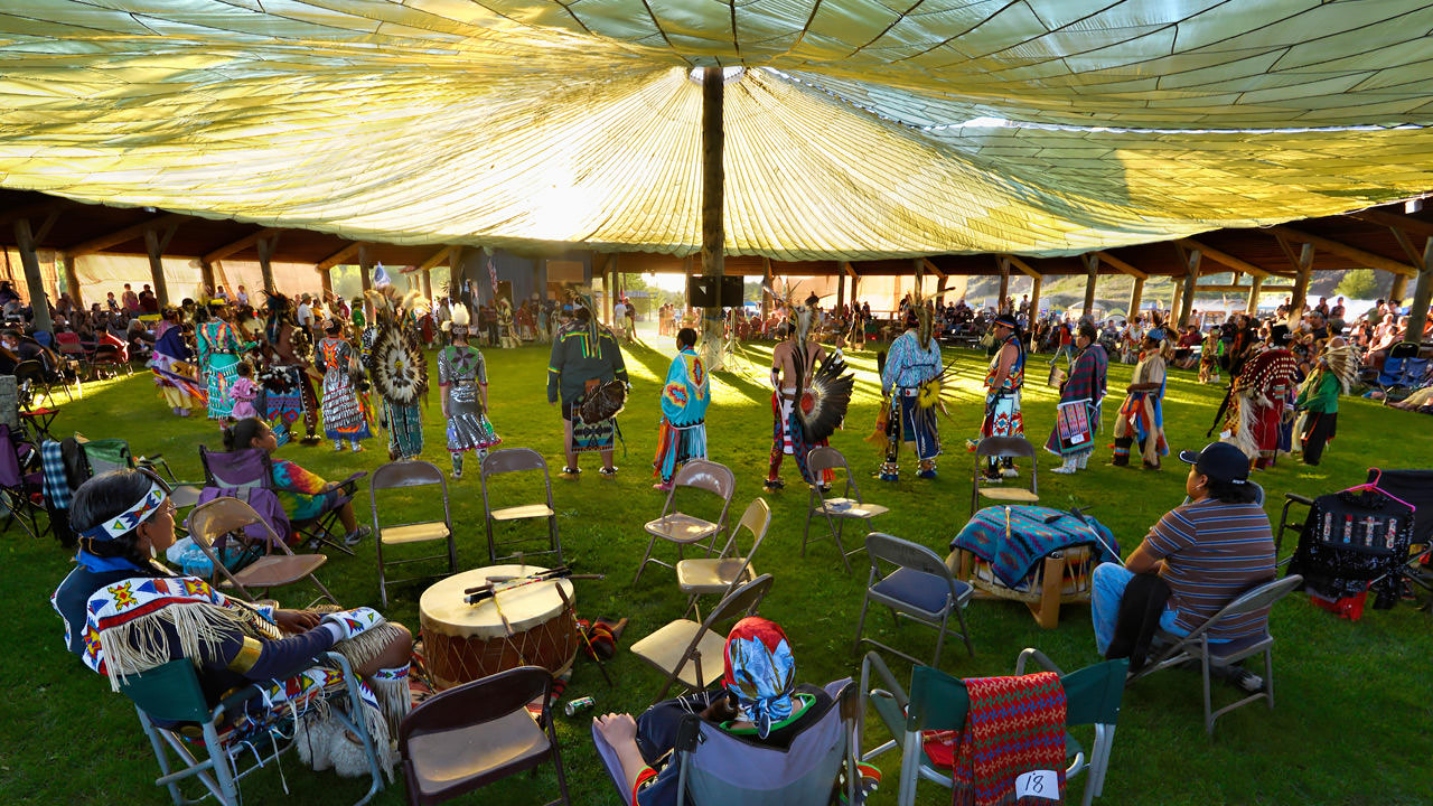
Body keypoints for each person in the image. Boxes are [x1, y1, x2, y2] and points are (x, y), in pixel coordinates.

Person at [53, 469, 408, 773]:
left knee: (322, 620)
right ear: (143, 530)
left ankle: (320, 733)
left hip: (183, 710)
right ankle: (359, 748)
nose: (174, 515)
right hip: (239, 706)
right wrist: (341, 627)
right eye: (166, 510)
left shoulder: (84, 593)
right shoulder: (167, 611)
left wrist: (272, 615)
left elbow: (212, 627)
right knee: (393, 637)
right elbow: (268, 662)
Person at [593, 617, 836, 806]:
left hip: (716, 772)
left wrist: (624, 743)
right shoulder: (824, 707)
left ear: (731, 683)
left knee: (656, 721)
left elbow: (646, 800)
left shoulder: (704, 754)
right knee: (670, 716)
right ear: (790, 666)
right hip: (795, 785)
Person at [1091, 442, 1275, 690]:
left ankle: (1116, 660)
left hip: (1205, 625)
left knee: (1106, 576)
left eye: (1192, 470)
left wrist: (1164, 550)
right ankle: (1162, 652)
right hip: (1247, 625)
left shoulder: (1186, 518)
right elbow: (1213, 565)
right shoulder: (1258, 514)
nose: (1189, 474)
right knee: (1151, 581)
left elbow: (1135, 564)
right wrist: (1170, 557)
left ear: (1202, 481)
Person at [225, 417, 371, 545]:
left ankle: (319, 536)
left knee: (300, 495)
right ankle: (353, 533)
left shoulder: (233, 471)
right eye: (269, 433)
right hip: (290, 518)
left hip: (254, 521)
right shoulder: (279, 469)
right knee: (335, 487)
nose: (275, 434)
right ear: (256, 442)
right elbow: (322, 488)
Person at [548, 295, 628, 479]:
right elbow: (619, 364)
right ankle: (608, 469)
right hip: (603, 391)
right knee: (605, 426)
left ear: (575, 311)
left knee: (570, 429)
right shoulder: (606, 333)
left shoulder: (564, 333)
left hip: (572, 390)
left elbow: (554, 367)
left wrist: (551, 392)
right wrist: (625, 381)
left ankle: (572, 470)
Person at [766, 296, 828, 491]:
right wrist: (840, 350)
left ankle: (773, 477)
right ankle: (819, 481)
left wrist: (781, 384)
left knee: (780, 440)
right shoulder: (816, 348)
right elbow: (830, 369)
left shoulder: (781, 348)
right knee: (814, 441)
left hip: (789, 402)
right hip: (810, 402)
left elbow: (774, 377)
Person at [880, 303, 942, 481]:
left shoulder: (900, 343)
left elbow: (891, 369)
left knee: (894, 429)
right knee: (926, 428)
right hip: (927, 394)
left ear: (907, 321)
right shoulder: (932, 343)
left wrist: (886, 387)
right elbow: (939, 371)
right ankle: (927, 466)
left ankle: (890, 469)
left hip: (905, 395)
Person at [365, 287, 429, 462]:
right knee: (395, 418)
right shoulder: (374, 334)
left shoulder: (406, 331)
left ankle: (410, 451)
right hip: (389, 383)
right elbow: (368, 358)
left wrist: (421, 378)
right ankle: (399, 450)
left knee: (409, 416)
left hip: (408, 382)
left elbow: (417, 356)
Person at [1224, 324, 1300, 470]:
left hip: (1261, 399)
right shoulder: (1289, 357)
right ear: (1289, 341)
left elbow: (1252, 378)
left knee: (1253, 429)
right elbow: (1291, 380)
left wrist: (1247, 390)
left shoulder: (1267, 356)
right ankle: (1260, 465)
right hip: (1277, 400)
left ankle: (1246, 464)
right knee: (1269, 429)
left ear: (1271, 337)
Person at [438, 302, 500, 478]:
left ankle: (457, 472)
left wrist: (444, 404)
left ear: (451, 331)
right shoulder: (477, 353)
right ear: (467, 331)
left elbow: (444, 383)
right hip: (473, 397)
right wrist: (485, 402)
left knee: (456, 434)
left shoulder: (444, 354)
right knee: (479, 433)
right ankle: (484, 470)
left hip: (455, 399)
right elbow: (483, 382)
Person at [652, 327, 710, 491]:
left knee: (673, 444)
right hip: (696, 412)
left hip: (681, 412)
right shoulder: (700, 360)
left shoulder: (679, 360)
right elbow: (706, 389)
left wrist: (665, 395)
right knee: (692, 444)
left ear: (681, 341)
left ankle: (668, 481)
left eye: (677, 339)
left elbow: (674, 389)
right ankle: (693, 477)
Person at [1046, 321, 1107, 474]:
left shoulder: (1088, 355)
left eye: (1078, 336)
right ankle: (1080, 462)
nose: (1075, 339)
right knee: (1083, 430)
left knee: (1074, 429)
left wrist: (1066, 387)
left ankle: (1069, 466)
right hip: (1091, 397)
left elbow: (1080, 378)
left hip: (1080, 397)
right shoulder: (1099, 351)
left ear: (1086, 338)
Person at [1112, 321, 1170, 469]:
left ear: (1154, 342)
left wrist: (1134, 387)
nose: (1142, 340)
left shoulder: (1156, 359)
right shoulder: (1146, 357)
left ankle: (1151, 462)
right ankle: (1120, 459)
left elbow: (1156, 383)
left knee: (1145, 430)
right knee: (1125, 426)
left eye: (1145, 338)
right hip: (1136, 399)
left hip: (1146, 402)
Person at [978, 313, 1026, 481]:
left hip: (1003, 396)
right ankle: (1007, 466)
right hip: (1010, 396)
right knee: (1007, 430)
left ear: (1006, 328)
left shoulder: (1009, 347)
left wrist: (990, 397)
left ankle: (993, 472)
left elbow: (1002, 374)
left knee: (996, 430)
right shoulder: (1014, 344)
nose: (994, 330)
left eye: (997, 327)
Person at [1294, 341, 1355, 466]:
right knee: (1306, 433)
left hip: (1324, 410)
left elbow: (1325, 395)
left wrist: (1306, 404)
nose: (1319, 359)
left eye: (1323, 357)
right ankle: (1306, 457)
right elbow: (1307, 389)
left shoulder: (1331, 377)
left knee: (1316, 437)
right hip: (1314, 408)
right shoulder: (1318, 372)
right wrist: (1298, 402)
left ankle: (1311, 460)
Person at [316, 318, 372, 452]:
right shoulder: (344, 345)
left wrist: (327, 373)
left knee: (333, 411)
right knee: (349, 411)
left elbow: (318, 363)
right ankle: (355, 445)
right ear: (340, 329)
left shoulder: (321, 343)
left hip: (329, 381)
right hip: (344, 381)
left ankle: (338, 443)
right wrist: (361, 380)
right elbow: (352, 366)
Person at [147, 312, 203, 417]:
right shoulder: (175, 329)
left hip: (160, 361)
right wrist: (190, 353)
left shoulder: (161, 327)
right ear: (176, 317)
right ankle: (185, 410)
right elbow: (179, 347)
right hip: (174, 361)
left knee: (170, 384)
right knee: (181, 383)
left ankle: (177, 408)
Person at [195, 303, 244, 420]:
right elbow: (241, 346)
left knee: (220, 389)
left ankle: (224, 416)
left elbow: (203, 350)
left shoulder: (201, 327)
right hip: (231, 362)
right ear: (217, 310)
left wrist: (206, 366)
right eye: (224, 308)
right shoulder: (228, 326)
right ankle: (237, 414)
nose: (226, 310)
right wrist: (255, 343)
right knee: (235, 388)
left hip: (214, 363)